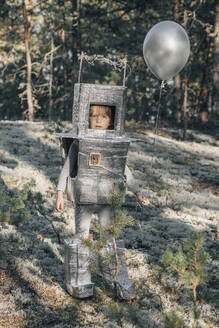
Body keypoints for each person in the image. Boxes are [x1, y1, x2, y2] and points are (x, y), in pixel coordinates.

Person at [56, 104, 149, 299]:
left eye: (104, 116)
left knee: (111, 238)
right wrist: (59, 193)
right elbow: (67, 169)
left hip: (107, 199)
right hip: (85, 199)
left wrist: (138, 192)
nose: (98, 120)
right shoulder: (79, 143)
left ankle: (118, 280)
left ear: (111, 120)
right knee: (82, 237)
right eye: (94, 116)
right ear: (86, 118)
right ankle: (79, 281)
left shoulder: (115, 144)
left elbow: (124, 171)